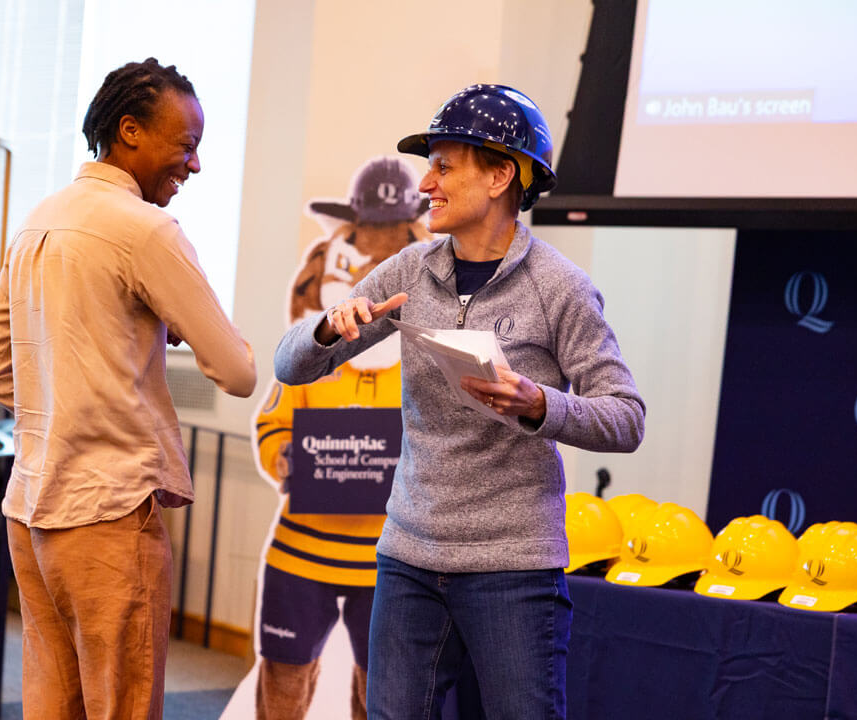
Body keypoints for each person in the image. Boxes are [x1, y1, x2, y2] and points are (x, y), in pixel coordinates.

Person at [272, 84, 645, 719]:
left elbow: (626, 417)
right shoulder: (409, 271)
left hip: (514, 570)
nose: (425, 184)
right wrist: (331, 327)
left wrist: (539, 405)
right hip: (408, 560)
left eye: (444, 166)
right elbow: (290, 364)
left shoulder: (562, 288)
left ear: (502, 174)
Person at [0, 57, 257, 720]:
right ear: (129, 131)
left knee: (51, 699)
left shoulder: (37, 221)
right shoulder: (147, 231)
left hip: (31, 512)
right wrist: (172, 326)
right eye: (185, 146)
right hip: (108, 515)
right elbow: (238, 372)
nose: (193, 165)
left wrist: (74, 385)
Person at [252, 156, 431, 720]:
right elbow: (272, 423)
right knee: (283, 679)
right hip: (299, 555)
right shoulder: (308, 360)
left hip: (388, 561)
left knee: (379, 692)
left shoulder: (425, 370)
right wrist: (282, 455)